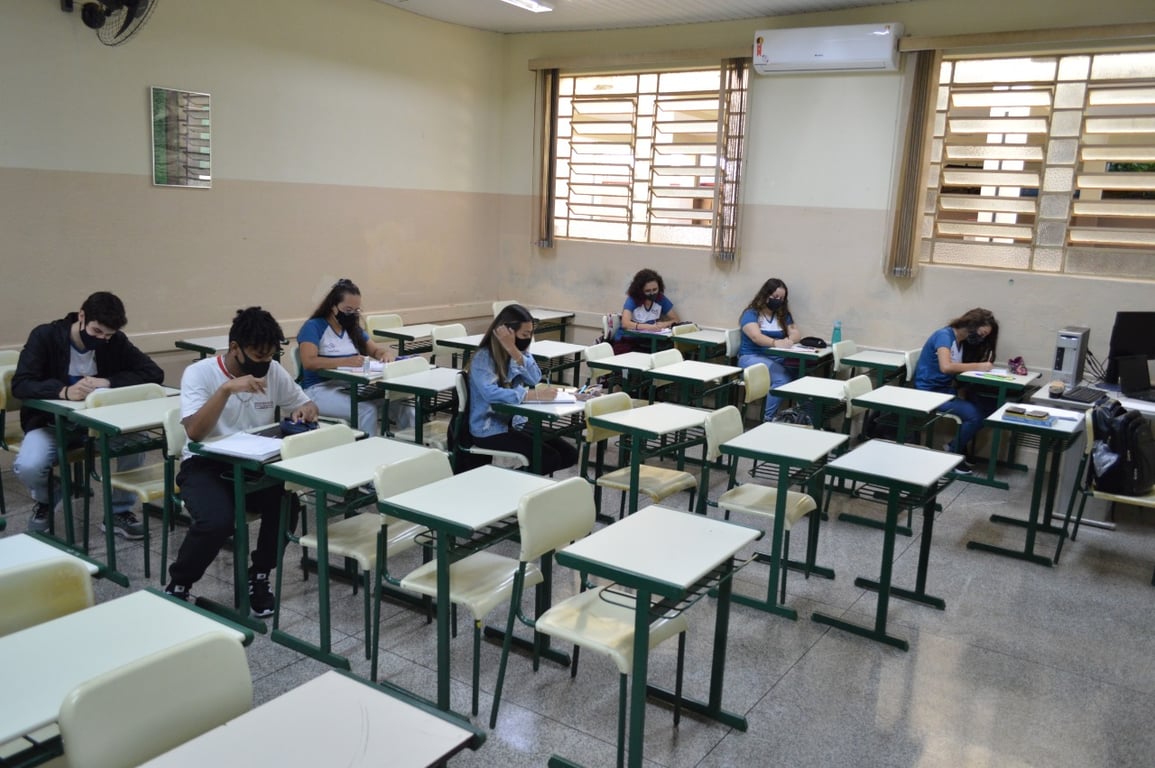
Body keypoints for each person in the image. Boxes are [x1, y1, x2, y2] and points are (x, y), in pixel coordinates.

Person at [165, 307, 319, 616]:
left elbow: (306, 402)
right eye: (257, 356)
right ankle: (179, 584)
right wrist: (225, 390)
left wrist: (304, 411)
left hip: (253, 463)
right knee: (217, 521)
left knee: (287, 506)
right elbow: (195, 432)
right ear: (235, 348)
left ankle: (259, 574)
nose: (264, 364)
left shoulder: (272, 370)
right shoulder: (201, 373)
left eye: (270, 357)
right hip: (205, 464)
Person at [12, 291, 163, 537]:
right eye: (96, 332)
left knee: (139, 441)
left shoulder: (114, 341)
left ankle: (118, 512)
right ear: (81, 317)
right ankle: (51, 495)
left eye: (107, 335)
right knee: (29, 465)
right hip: (51, 423)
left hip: (99, 424)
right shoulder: (46, 336)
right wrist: (63, 391)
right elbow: (21, 384)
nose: (101, 339)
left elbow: (153, 372)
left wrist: (108, 382)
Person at [466, 303, 578, 475]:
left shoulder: (518, 350)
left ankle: (521, 480)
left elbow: (534, 377)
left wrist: (514, 351)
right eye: (525, 334)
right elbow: (490, 394)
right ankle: (515, 487)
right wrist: (528, 394)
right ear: (506, 332)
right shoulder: (484, 357)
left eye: (530, 334)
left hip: (516, 421)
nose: (528, 338)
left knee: (569, 454)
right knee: (548, 458)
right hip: (489, 428)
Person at [297, 278, 396, 435]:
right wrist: (345, 361)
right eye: (348, 310)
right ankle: (367, 453)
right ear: (333, 307)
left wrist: (385, 354)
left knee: (396, 403)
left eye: (356, 311)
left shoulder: (352, 329)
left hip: (349, 385)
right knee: (366, 410)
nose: (352, 314)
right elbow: (309, 362)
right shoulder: (314, 327)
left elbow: (375, 350)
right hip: (319, 389)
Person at [911, 307, 998, 474]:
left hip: (944, 391)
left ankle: (955, 447)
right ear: (972, 325)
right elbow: (946, 367)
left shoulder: (960, 342)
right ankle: (952, 452)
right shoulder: (944, 336)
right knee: (975, 416)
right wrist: (979, 366)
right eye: (982, 333)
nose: (982, 338)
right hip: (929, 393)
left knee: (986, 408)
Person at [737, 278, 801, 421]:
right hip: (751, 357)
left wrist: (789, 341)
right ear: (765, 295)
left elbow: (796, 333)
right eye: (775, 297)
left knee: (800, 373)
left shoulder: (782, 315)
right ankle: (768, 418)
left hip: (774, 357)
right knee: (782, 379)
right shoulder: (751, 314)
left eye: (782, 298)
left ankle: (802, 416)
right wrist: (775, 342)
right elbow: (755, 337)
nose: (778, 300)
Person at [611, 268, 681, 353]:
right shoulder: (632, 300)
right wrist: (648, 327)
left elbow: (676, 319)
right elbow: (625, 323)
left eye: (655, 290)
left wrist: (664, 324)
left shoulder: (661, 299)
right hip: (628, 339)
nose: (652, 293)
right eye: (647, 291)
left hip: (648, 340)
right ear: (640, 291)